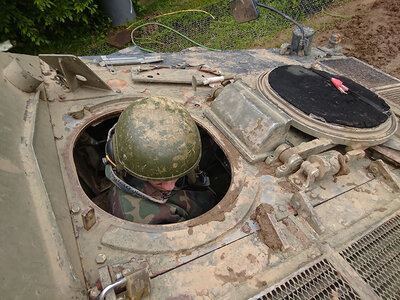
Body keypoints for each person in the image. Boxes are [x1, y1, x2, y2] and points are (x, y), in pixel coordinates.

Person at [104, 96, 217, 224]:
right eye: (159, 182)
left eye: (175, 177)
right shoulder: (149, 218)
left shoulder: (141, 162)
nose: (170, 186)